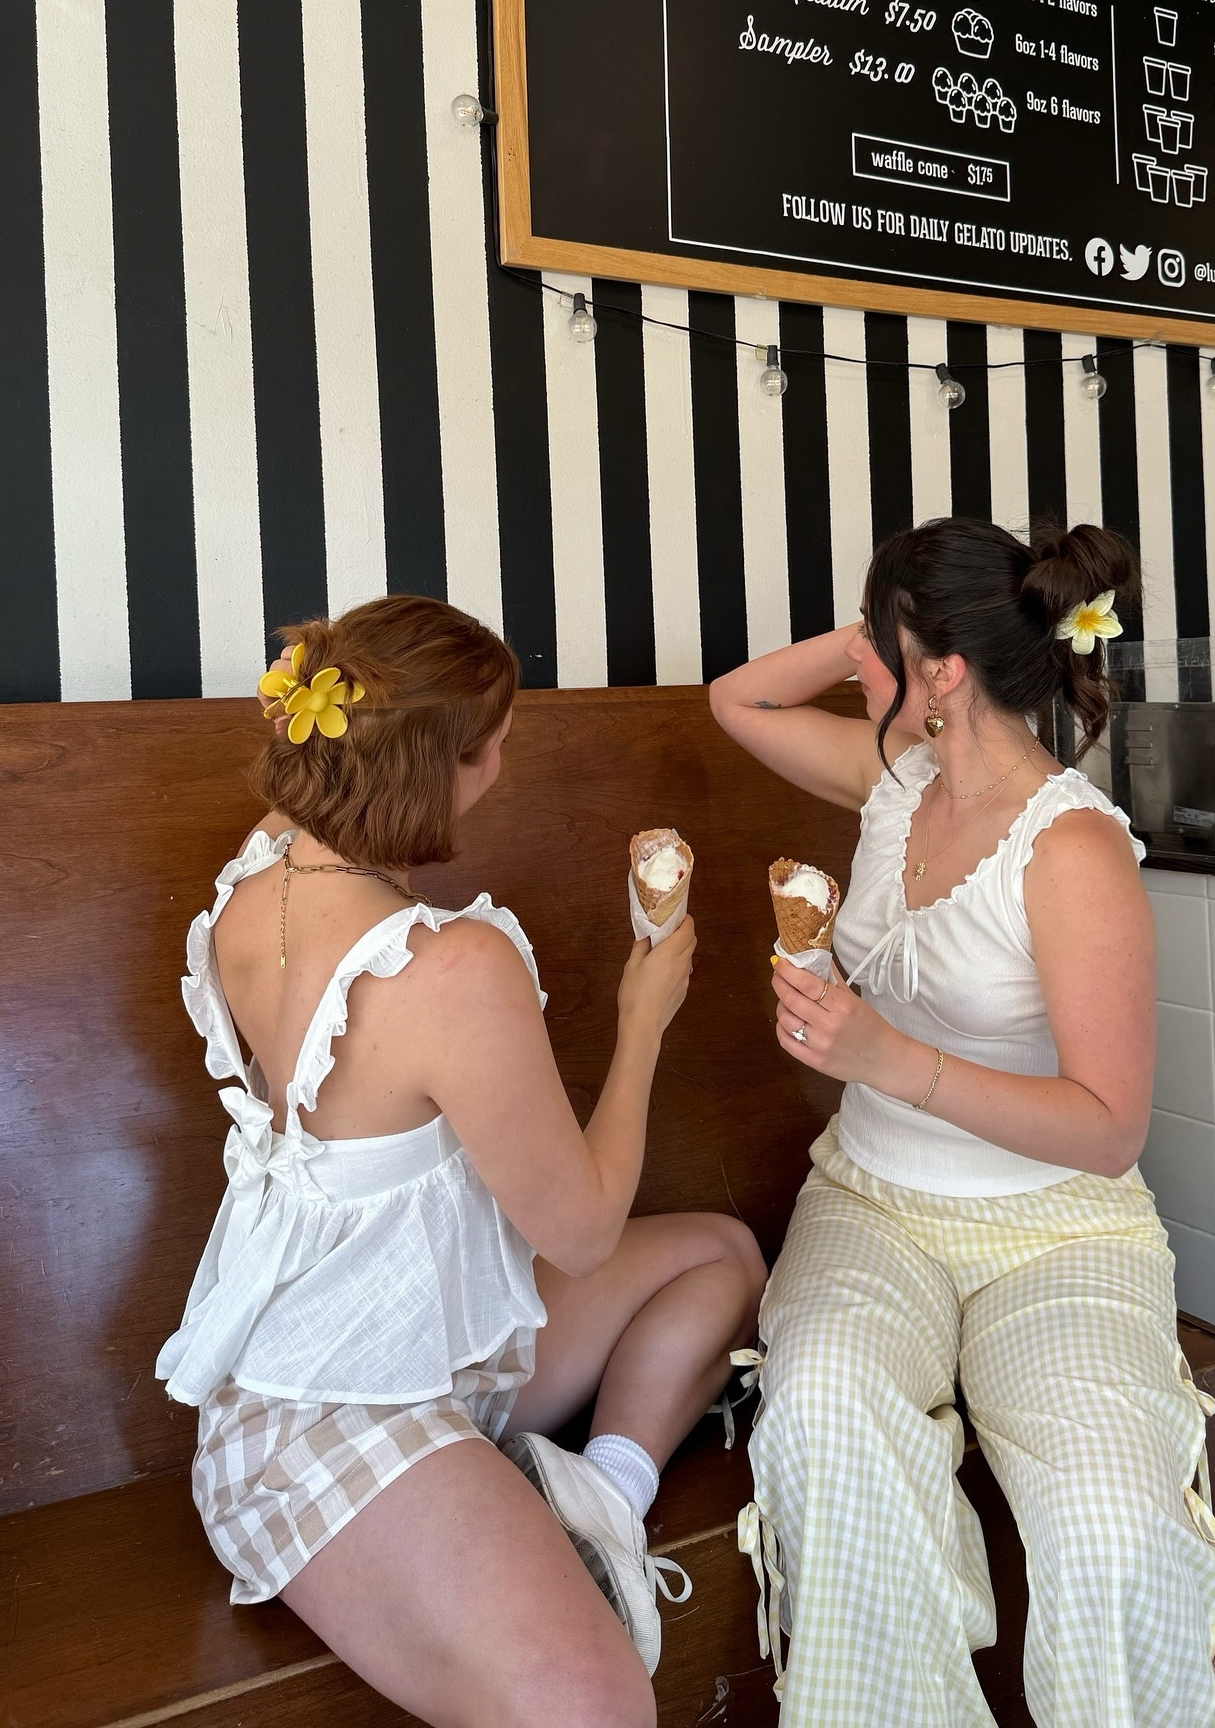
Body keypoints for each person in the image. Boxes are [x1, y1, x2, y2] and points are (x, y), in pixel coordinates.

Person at [157, 594, 767, 1728]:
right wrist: (643, 1022)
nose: (504, 762)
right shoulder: (454, 968)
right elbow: (579, 1230)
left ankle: (596, 1498)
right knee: (602, 1706)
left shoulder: (257, 881)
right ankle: (543, 1520)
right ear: (449, 766)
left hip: (420, 1337)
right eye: (497, 742)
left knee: (718, 1256)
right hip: (324, 1420)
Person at [710, 520, 1215, 1727]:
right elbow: (736, 703)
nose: (865, 667)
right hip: (871, 1206)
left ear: (944, 668)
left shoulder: (1070, 850)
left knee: (1113, 1517)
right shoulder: (897, 783)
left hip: (1056, 1232)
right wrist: (882, 653)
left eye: (889, 645)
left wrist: (883, 1056)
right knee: (825, 1417)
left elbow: (1110, 1129)